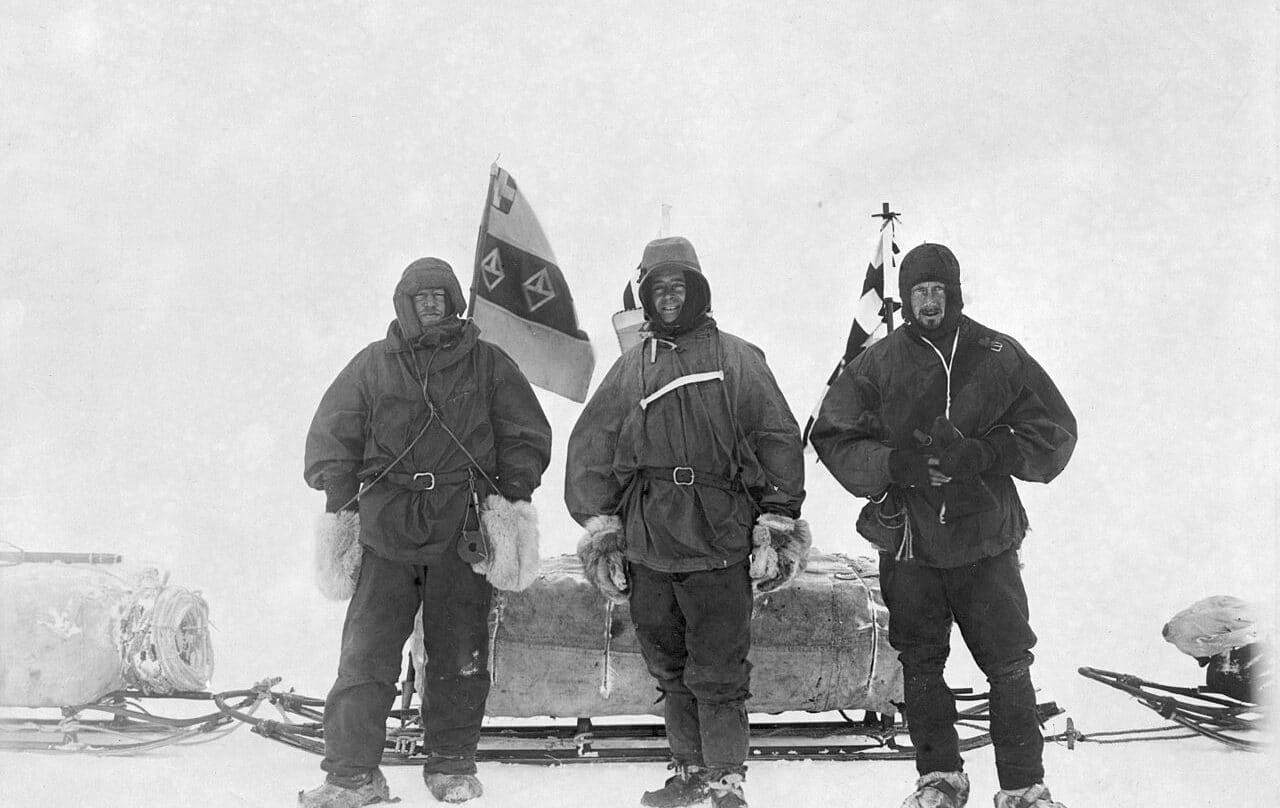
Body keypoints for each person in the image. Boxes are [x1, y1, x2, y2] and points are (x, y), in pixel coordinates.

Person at [810, 243, 1077, 808]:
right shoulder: (878, 362)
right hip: (910, 538)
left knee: (1007, 664)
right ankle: (940, 779)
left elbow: (1054, 431)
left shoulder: (998, 354)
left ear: (953, 293)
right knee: (922, 663)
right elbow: (834, 434)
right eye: (918, 292)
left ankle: (1024, 787)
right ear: (905, 299)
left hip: (986, 539)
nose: (929, 302)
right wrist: (893, 464)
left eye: (938, 291)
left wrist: (988, 452)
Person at [300, 257, 552, 807]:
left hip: (460, 530)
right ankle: (351, 775)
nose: (431, 303)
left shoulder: (487, 363)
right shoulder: (373, 365)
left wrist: (512, 492)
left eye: (440, 295)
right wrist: (340, 497)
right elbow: (330, 436)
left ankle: (451, 766)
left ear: (455, 301)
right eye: (421, 296)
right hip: (385, 532)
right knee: (364, 658)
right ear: (404, 304)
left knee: (458, 656)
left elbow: (525, 433)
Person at [567, 236, 809, 808]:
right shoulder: (631, 369)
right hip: (650, 539)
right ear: (646, 296)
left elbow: (777, 438)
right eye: (659, 288)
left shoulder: (737, 358)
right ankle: (690, 770)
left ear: (697, 290)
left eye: (679, 285)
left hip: (720, 537)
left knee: (720, 669)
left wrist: (775, 522)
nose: (669, 297)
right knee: (669, 666)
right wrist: (602, 530)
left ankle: (726, 776)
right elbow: (592, 447)